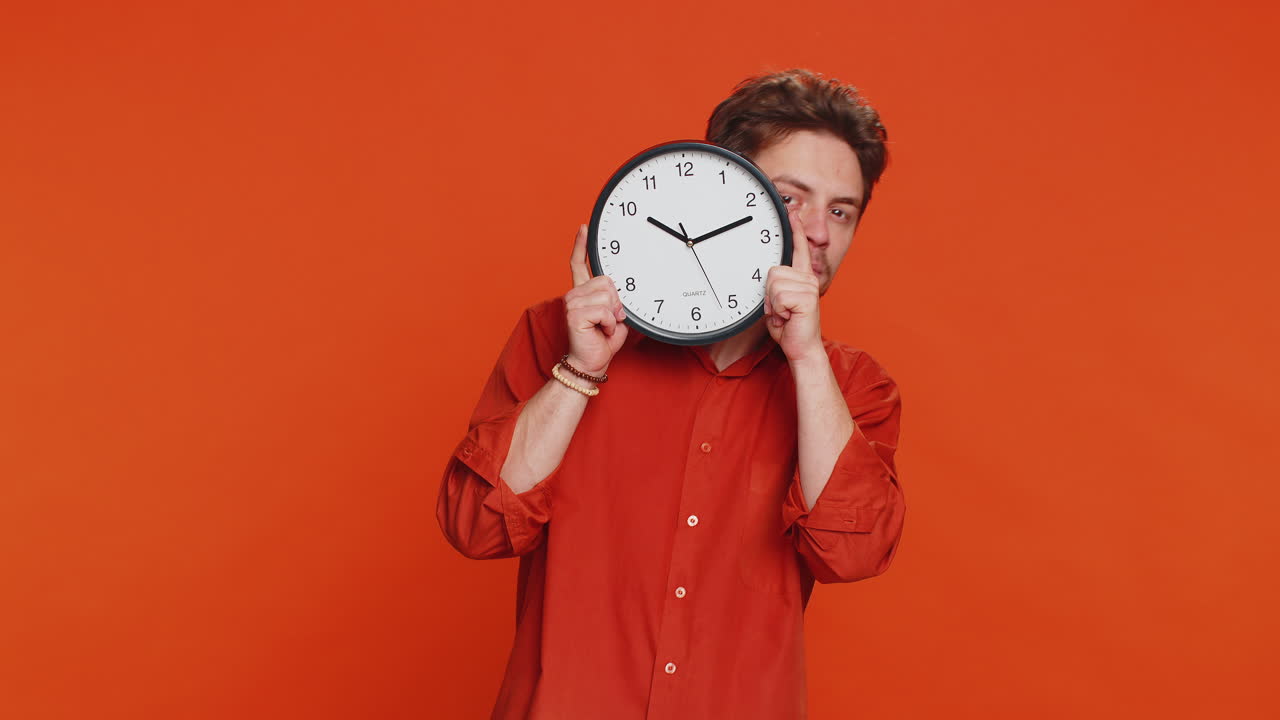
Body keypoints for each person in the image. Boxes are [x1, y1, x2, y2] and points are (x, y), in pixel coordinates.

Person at [437, 68, 905, 720]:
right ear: (716, 192)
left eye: (841, 211)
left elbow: (851, 553)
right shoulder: (559, 335)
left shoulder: (852, 388)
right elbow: (477, 525)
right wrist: (580, 371)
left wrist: (803, 357)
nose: (818, 233)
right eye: (791, 199)